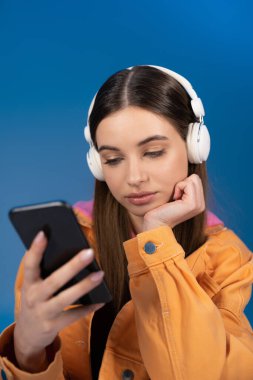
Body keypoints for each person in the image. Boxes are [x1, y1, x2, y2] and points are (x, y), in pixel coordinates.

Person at [0, 65, 253, 380]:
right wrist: (27, 352)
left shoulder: (227, 261)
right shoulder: (65, 243)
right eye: (113, 159)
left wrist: (157, 244)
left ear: (194, 147)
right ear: (97, 164)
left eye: (154, 152)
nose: (133, 178)